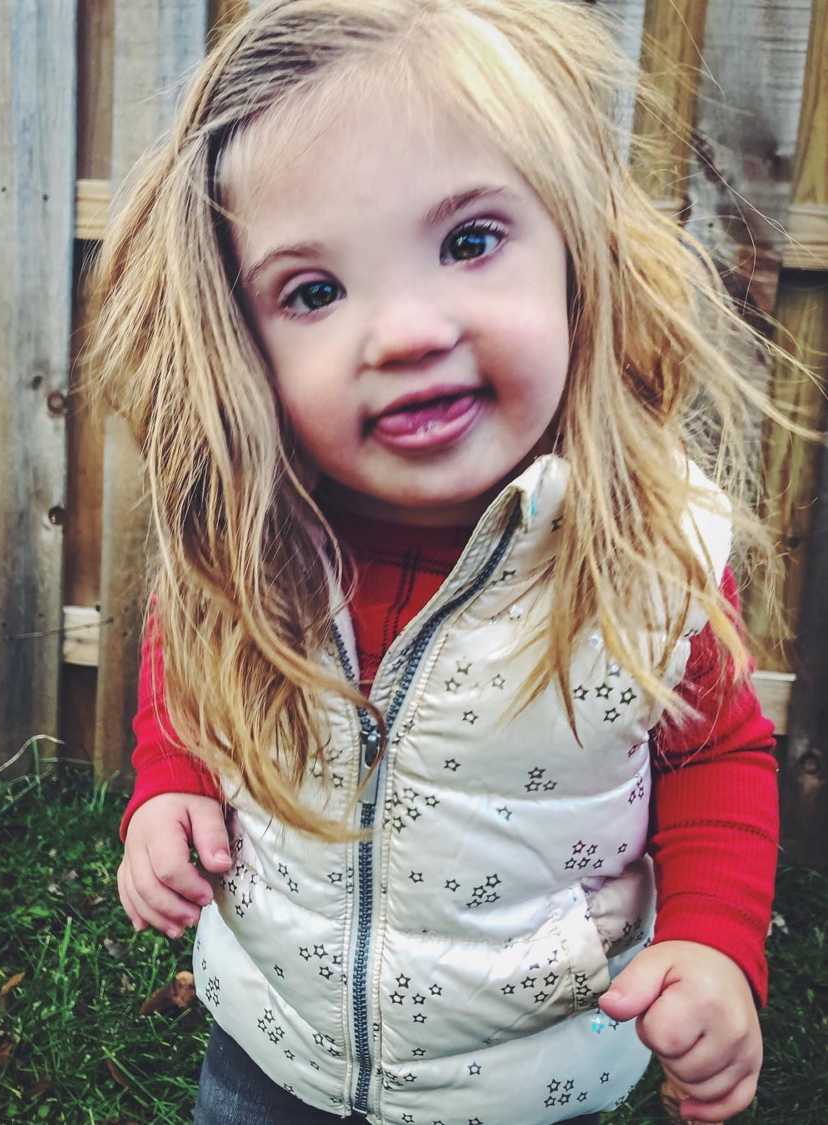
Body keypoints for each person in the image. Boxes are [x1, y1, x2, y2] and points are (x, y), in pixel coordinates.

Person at [85, 2, 795, 1122]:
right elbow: (201, 665)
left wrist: (713, 943)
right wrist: (167, 785)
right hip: (276, 1053)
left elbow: (715, 762)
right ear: (241, 345)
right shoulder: (249, 538)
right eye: (314, 292)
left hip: (528, 1076)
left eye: (469, 241)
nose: (407, 331)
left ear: (576, 251)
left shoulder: (654, 555)